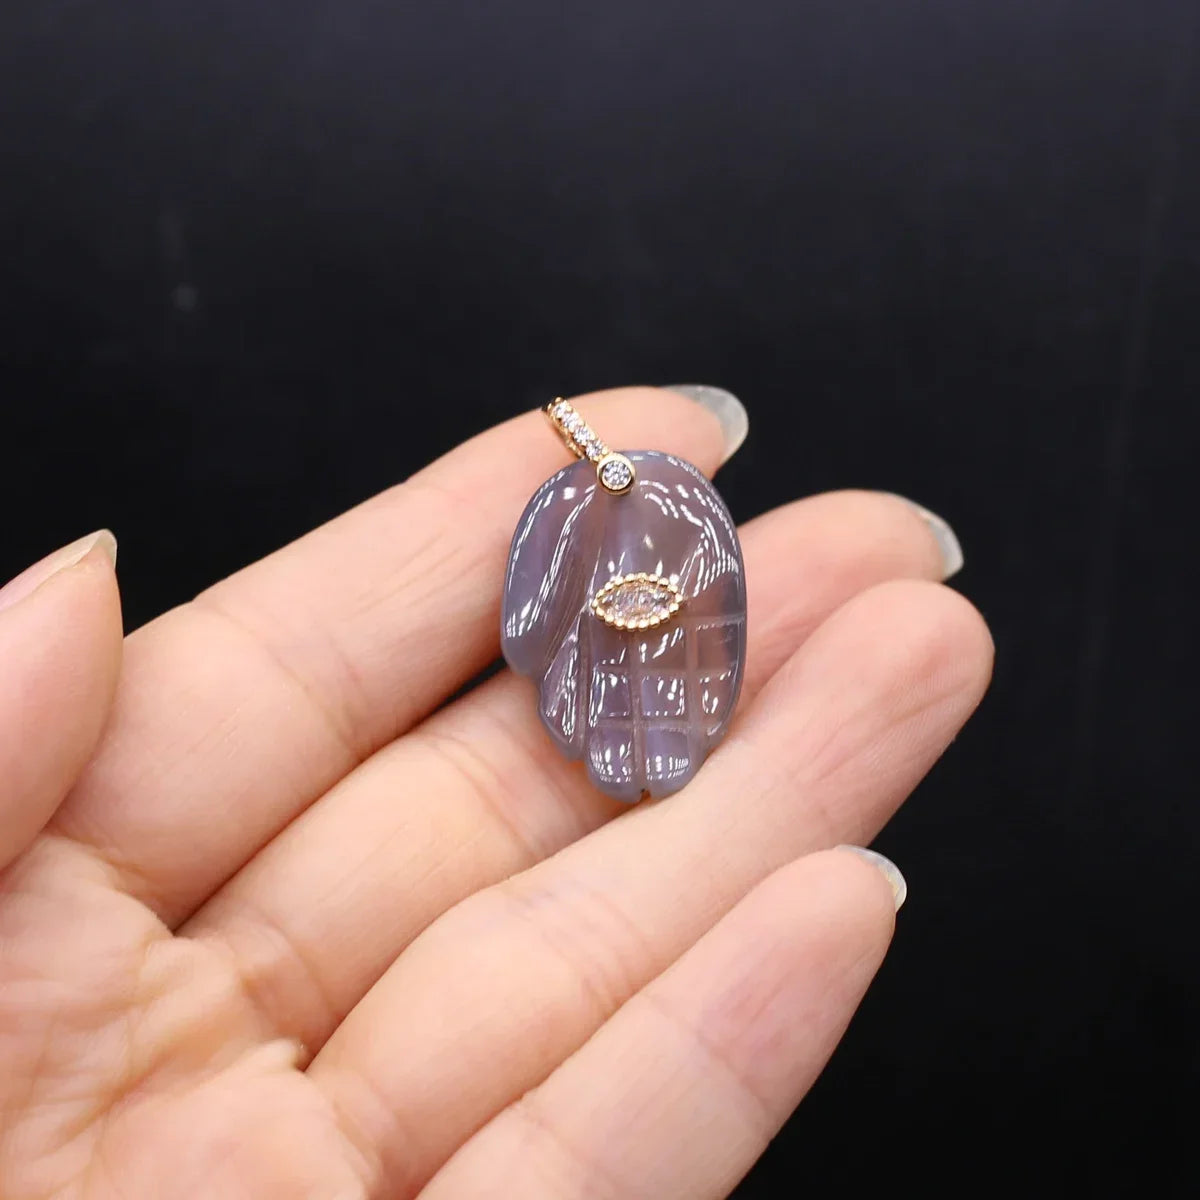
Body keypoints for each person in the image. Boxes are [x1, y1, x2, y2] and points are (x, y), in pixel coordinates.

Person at [0, 386, 992, 1198]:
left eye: (656, 608)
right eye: (621, 608)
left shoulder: (667, 550)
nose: (641, 642)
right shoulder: (579, 558)